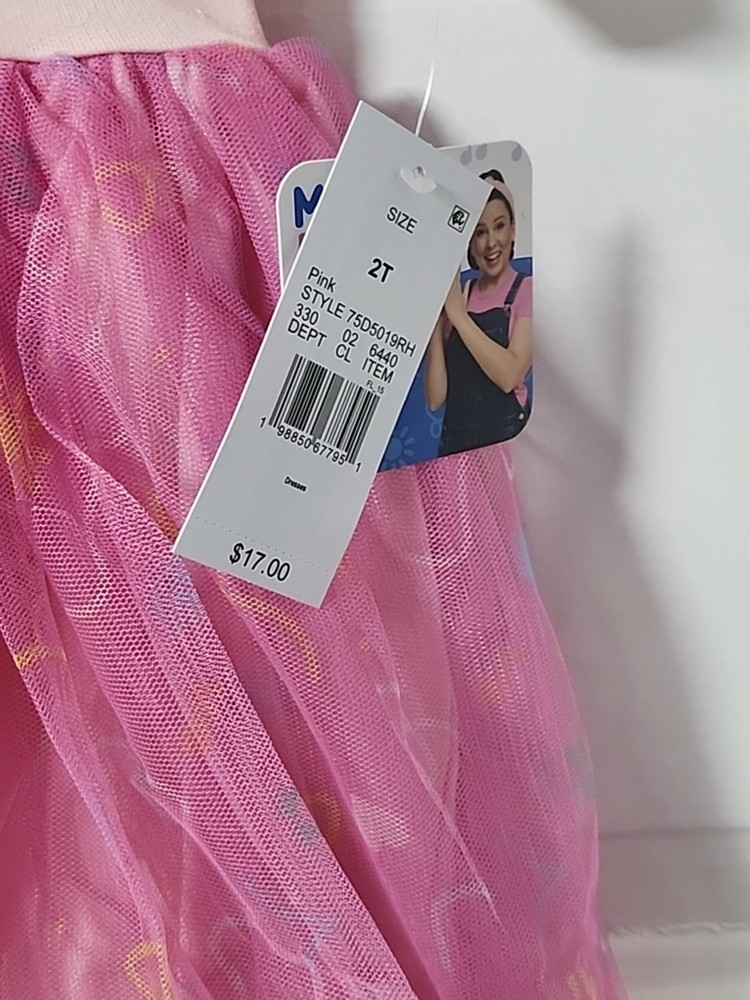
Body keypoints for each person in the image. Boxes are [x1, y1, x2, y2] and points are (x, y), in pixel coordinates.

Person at [425, 171, 533, 456]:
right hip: (456, 448)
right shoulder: (460, 295)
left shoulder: (527, 290)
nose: (490, 243)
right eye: (480, 232)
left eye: (499, 226)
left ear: (513, 230)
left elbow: (509, 375)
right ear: (470, 243)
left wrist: (458, 315)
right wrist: (438, 320)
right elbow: (435, 399)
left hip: (506, 444)